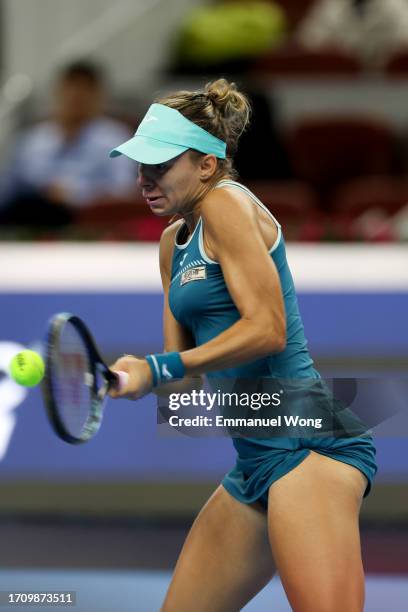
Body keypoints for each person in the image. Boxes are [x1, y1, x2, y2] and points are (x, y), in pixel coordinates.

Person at [108, 79, 377, 611]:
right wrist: (129, 376)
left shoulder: (227, 204)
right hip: (254, 459)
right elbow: (183, 375)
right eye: (140, 164)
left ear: (206, 165)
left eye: (160, 164)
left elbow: (266, 328)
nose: (144, 178)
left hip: (309, 446)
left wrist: (158, 369)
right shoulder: (171, 244)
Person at [0, 60, 136, 228]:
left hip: (88, 227)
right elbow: (8, 189)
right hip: (31, 223)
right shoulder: (32, 139)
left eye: (84, 90)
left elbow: (123, 191)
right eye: (70, 89)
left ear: (98, 95)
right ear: (58, 92)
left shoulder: (115, 138)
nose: (75, 97)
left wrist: (73, 195)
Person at [297, 0, 408, 68]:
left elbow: (405, 38)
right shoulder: (330, 4)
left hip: (384, 82)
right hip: (340, 81)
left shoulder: (396, 3)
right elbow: (308, 39)